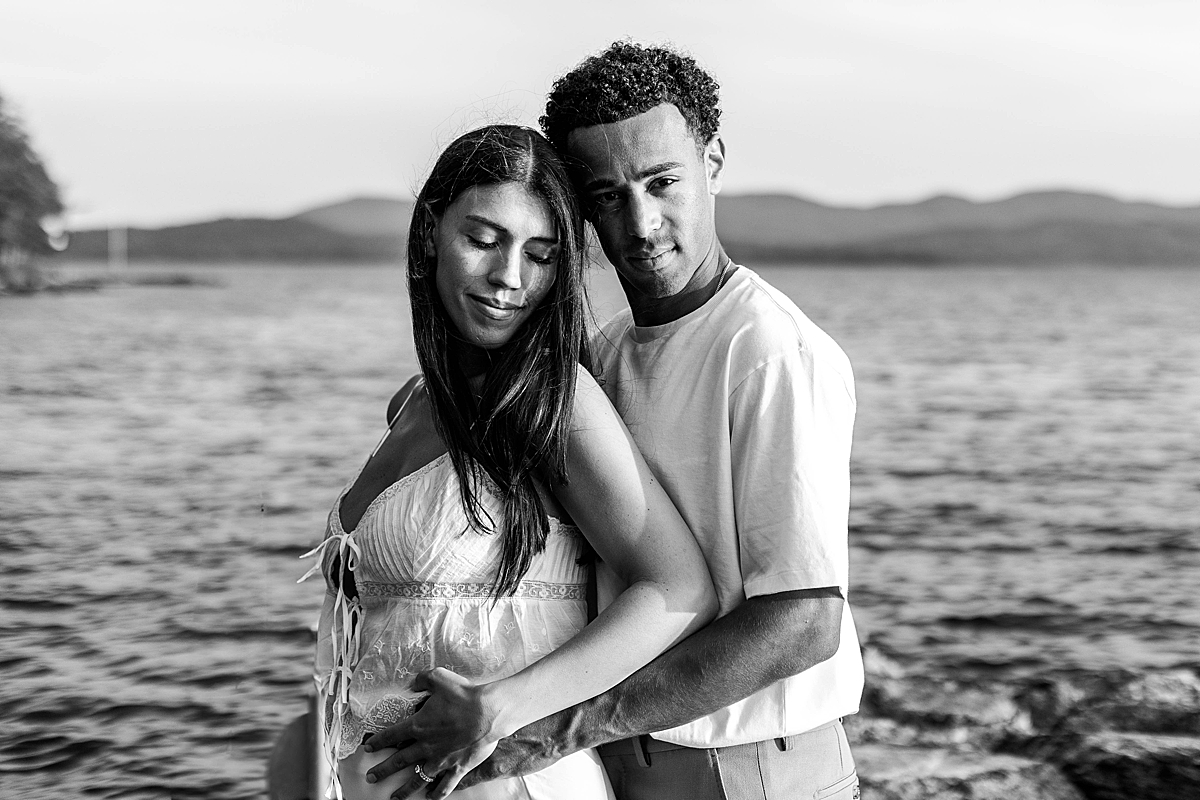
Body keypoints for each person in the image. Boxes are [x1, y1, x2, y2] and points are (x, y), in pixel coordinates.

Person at [366, 42, 865, 800]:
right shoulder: (605, 353)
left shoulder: (769, 351)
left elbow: (803, 623)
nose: (640, 223)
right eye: (607, 195)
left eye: (662, 182)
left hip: (748, 771)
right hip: (625, 768)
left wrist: (555, 730)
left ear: (713, 162)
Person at [299, 124, 717, 800]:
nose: (510, 278)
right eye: (484, 240)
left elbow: (679, 590)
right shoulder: (411, 402)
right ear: (430, 233)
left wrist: (502, 708)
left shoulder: (553, 401)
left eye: (541, 255)